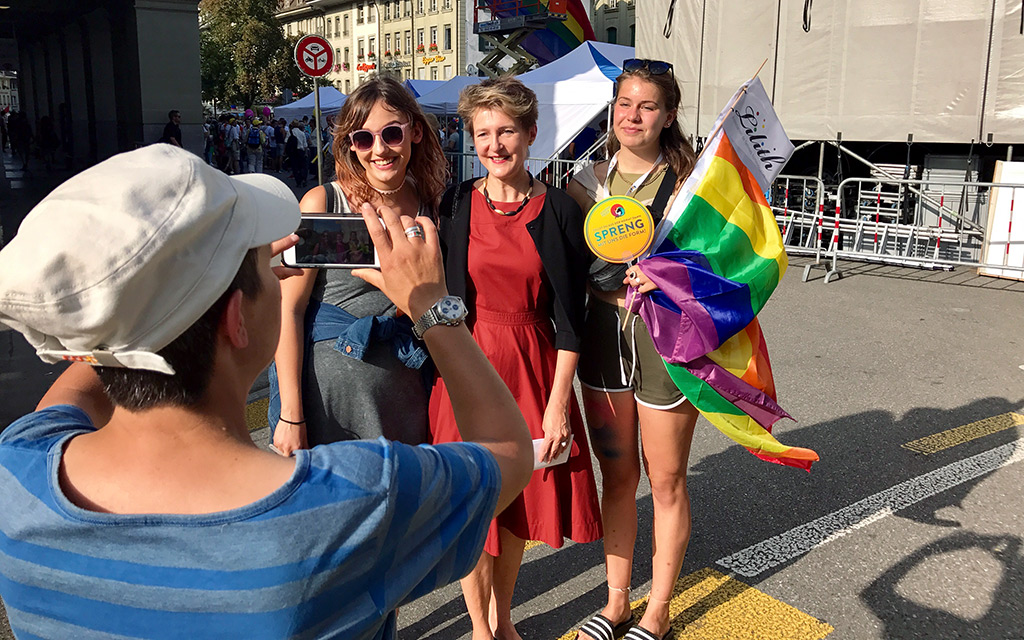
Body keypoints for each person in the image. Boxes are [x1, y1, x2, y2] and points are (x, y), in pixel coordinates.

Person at [0, 143, 533, 638]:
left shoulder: (18, 474)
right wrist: (429, 303)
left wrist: (167, 295)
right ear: (237, 321)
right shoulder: (350, 503)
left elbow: (79, 384)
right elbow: (508, 452)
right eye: (264, 267)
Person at [431, 76, 602, 640]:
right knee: (471, 503)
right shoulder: (454, 203)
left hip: (532, 367)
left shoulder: (558, 209)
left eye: (506, 130)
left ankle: (502, 618)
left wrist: (558, 407)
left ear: (530, 133)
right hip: (467, 364)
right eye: (483, 133)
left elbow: (573, 320)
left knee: (515, 505)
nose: (495, 144)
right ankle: (481, 628)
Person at [567, 58, 698, 640]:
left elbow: (729, 265)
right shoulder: (582, 181)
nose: (633, 115)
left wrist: (670, 278)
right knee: (616, 476)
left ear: (668, 115)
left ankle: (658, 609)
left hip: (666, 341)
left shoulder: (693, 182)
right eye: (625, 104)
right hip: (601, 340)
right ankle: (617, 601)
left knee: (665, 479)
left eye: (648, 106)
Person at [271, 74, 448, 455]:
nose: (379, 149)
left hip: (407, 395)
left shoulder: (432, 206)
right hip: (328, 404)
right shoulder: (324, 203)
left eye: (392, 134)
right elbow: (289, 308)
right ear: (351, 145)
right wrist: (291, 415)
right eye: (364, 138)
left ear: (415, 132)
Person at [287, 119, 308, 187]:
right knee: (302, 166)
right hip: (300, 151)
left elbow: (286, 142)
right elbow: (305, 145)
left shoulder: (290, 132)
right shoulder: (302, 133)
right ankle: (303, 178)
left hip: (293, 151)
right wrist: (305, 152)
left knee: (295, 167)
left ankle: (298, 181)